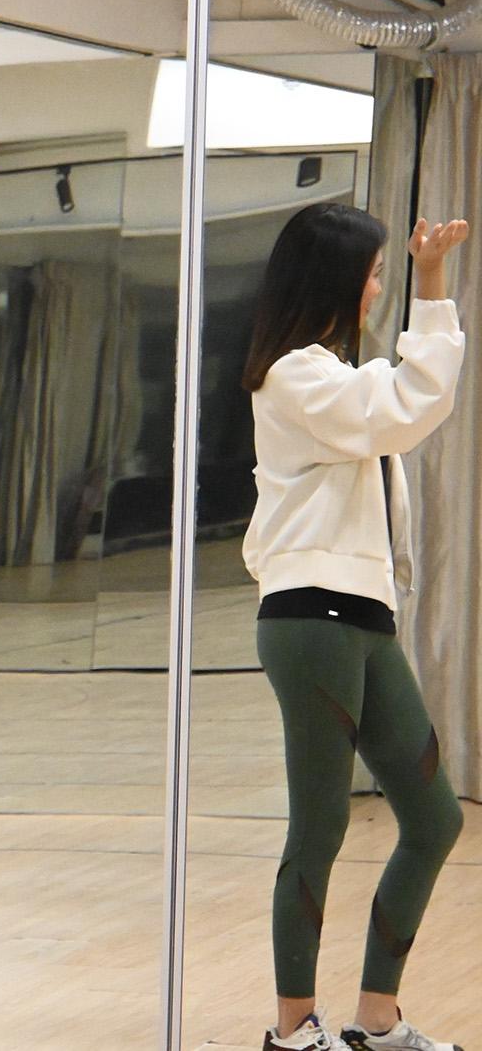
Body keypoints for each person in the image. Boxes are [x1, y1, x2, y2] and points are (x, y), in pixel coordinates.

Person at [241, 203, 470, 1051]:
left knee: (435, 817)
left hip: (361, 619)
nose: (377, 287)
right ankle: (294, 1028)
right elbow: (406, 404)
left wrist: (430, 282)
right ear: (334, 278)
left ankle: (376, 1020)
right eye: (374, 274)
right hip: (312, 620)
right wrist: (433, 285)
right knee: (321, 825)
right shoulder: (296, 378)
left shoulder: (334, 376)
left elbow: (395, 407)